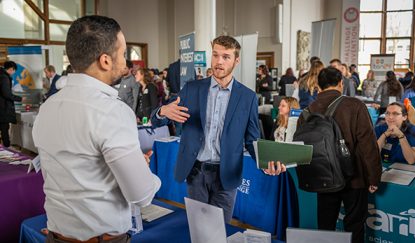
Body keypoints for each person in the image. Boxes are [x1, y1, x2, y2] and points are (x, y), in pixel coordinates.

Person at [32, 15, 161, 243]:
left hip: (56, 236)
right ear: (105, 60)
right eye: (122, 54)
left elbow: (79, 166)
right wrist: (142, 170)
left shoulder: (48, 107)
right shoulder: (113, 112)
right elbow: (141, 195)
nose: (125, 61)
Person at [151, 35, 286, 222]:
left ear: (236, 60)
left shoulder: (247, 97)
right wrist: (162, 111)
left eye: (226, 57)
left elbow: (251, 139)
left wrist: (266, 162)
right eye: (215, 55)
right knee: (198, 229)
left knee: (220, 230)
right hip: (195, 172)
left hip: (227, 175)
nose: (219, 62)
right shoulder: (192, 89)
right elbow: (157, 121)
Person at [297, 67, 382, 243]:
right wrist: (374, 176)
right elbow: (368, 145)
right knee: (355, 226)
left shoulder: (307, 112)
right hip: (354, 177)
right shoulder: (354, 105)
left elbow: (300, 149)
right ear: (341, 84)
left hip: (322, 177)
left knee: (325, 225)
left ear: (319, 86)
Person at [0, 61, 22, 147]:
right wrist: (20, 98)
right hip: (3, 108)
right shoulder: (4, 78)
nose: (14, 73)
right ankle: (7, 152)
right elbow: (7, 94)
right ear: (11, 69)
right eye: (14, 70)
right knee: (4, 130)